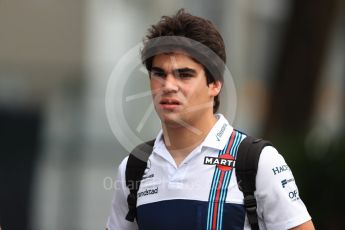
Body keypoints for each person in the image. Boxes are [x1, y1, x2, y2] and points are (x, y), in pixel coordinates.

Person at [106, 9, 314, 230]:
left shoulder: (257, 161)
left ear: (215, 84)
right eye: (159, 74)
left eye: (184, 74)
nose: (168, 86)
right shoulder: (134, 167)